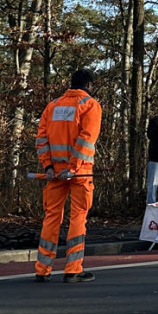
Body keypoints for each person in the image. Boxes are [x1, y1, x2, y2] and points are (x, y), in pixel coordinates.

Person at [35, 69, 102, 283]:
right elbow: (86, 140)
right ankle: (73, 269)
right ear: (89, 85)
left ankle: (42, 268)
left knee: (52, 216)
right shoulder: (90, 105)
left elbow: (41, 139)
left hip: (54, 173)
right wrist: (73, 167)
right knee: (78, 217)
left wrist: (48, 167)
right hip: (79, 173)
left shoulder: (52, 106)